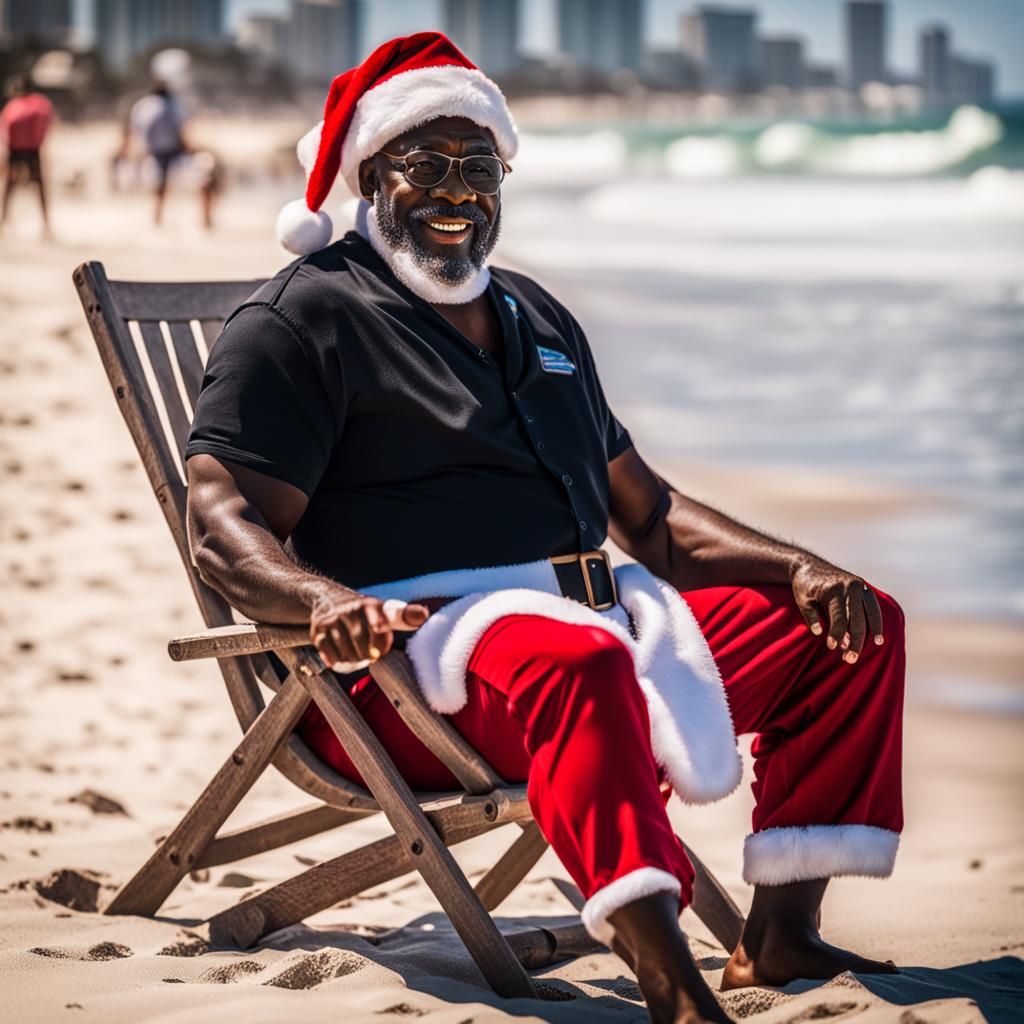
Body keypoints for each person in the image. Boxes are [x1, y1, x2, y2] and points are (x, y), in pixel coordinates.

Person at [184, 33, 905, 1024]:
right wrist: (321, 600)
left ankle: (778, 932)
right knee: (575, 660)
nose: (457, 191)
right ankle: (671, 985)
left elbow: (645, 517)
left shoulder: (536, 318)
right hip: (403, 677)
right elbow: (219, 520)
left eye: (478, 168)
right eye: (424, 165)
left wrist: (800, 568)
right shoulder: (305, 320)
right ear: (367, 174)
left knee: (853, 627)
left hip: (595, 628)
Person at [126, 80, 188, 226]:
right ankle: (159, 214)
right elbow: (182, 128)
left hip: (149, 149)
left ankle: (157, 213)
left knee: (156, 182)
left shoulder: (143, 105)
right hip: (169, 149)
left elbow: (135, 128)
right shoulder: (173, 106)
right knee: (163, 183)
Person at [0, 76, 54, 236]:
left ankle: (3, 221)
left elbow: (6, 130)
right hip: (32, 150)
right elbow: (46, 125)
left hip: (15, 150)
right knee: (39, 187)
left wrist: (5, 154)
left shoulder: (12, 106)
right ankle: (46, 225)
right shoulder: (41, 103)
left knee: (9, 187)